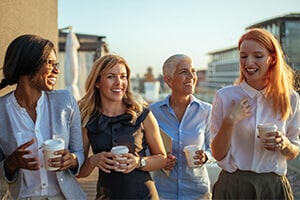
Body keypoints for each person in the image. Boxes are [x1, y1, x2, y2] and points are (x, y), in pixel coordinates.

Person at [210, 28, 300, 200]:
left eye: (258, 56)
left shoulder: (291, 98)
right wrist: (230, 121)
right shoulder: (225, 96)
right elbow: (217, 154)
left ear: (272, 59)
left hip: (273, 188)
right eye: (243, 56)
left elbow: (293, 152)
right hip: (233, 187)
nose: (249, 63)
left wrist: (284, 143)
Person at [0, 34, 86, 200]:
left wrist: (73, 160)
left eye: (57, 64)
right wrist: (11, 163)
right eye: (50, 63)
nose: (57, 70)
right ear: (29, 63)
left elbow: (79, 152)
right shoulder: (2, 110)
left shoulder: (65, 102)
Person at [77, 54, 167, 199]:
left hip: (144, 195)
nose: (119, 82)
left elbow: (162, 158)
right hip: (106, 196)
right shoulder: (88, 121)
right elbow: (80, 173)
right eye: (111, 76)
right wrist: (93, 161)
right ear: (97, 82)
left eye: (123, 76)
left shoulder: (142, 114)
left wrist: (138, 162)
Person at [149, 54, 213, 199]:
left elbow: (213, 147)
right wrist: (160, 161)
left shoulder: (207, 111)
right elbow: (145, 149)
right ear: (168, 80)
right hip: (163, 193)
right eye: (184, 72)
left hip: (198, 193)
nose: (191, 76)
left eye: (193, 71)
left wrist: (205, 156)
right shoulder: (153, 112)